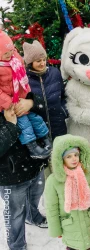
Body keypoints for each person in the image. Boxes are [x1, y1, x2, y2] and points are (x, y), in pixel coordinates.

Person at [0, 93, 48, 249]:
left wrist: (31, 102)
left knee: (35, 197)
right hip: (10, 174)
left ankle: (33, 217)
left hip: (33, 163)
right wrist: (11, 125)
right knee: (14, 214)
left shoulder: (15, 82)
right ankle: (17, 245)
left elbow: (42, 104)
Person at [0, 32, 51, 159]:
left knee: (36, 120)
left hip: (22, 98)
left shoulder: (15, 59)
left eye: (11, 51)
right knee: (24, 125)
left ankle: (46, 140)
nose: (10, 55)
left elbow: (23, 78)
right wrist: (9, 103)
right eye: (6, 53)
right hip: (10, 105)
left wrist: (30, 100)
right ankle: (33, 148)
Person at [44, 134, 90, 250]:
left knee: (88, 246)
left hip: (88, 221)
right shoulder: (54, 180)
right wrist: (55, 229)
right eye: (69, 156)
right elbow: (51, 207)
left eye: (76, 155)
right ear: (61, 159)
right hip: (70, 225)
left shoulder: (87, 172)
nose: (74, 159)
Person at [24, 40, 67, 140]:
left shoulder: (54, 73)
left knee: (60, 153)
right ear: (30, 62)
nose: (42, 63)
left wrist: (63, 111)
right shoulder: (25, 79)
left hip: (58, 124)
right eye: (38, 61)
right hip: (39, 128)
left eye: (44, 60)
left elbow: (63, 95)